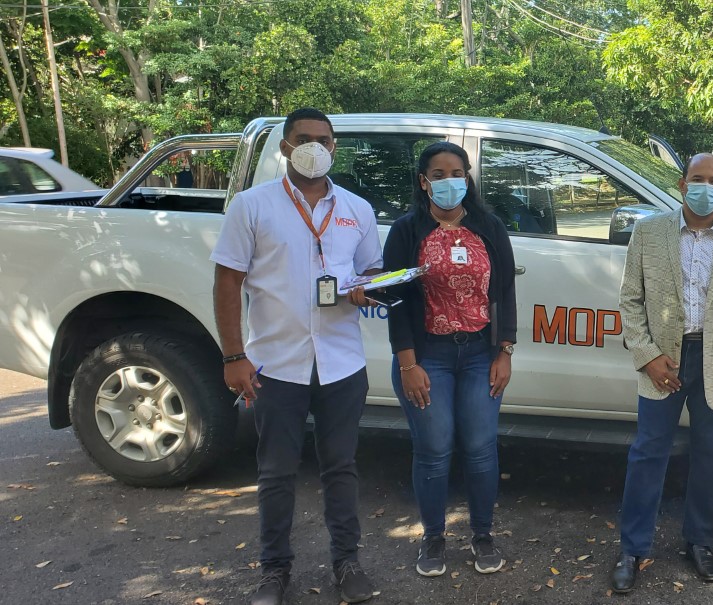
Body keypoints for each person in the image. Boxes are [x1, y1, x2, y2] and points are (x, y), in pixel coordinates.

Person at [212, 108, 382, 605]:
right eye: (304, 138)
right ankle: (274, 572)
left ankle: (347, 563)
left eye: (323, 140)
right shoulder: (252, 205)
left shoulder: (357, 209)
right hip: (276, 365)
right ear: (285, 147)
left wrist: (365, 288)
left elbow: (371, 271)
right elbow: (227, 281)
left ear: (334, 147)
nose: (315, 147)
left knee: (341, 468)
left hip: (342, 363)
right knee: (276, 472)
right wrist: (233, 355)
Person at [610, 153, 713, 593]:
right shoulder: (649, 231)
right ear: (682, 184)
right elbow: (631, 300)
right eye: (698, 179)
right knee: (648, 453)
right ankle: (632, 549)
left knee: (712, 456)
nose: (706, 187)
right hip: (664, 360)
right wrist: (647, 355)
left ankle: (701, 541)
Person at [382, 142, 518, 579]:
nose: (449, 182)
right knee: (434, 451)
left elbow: (506, 292)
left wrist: (504, 351)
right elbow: (396, 300)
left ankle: (483, 534)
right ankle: (434, 537)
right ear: (424, 182)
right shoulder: (407, 231)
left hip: (481, 354)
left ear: (467, 177)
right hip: (428, 358)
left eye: (457, 173)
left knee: (480, 449)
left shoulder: (488, 226)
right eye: (438, 175)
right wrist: (408, 364)